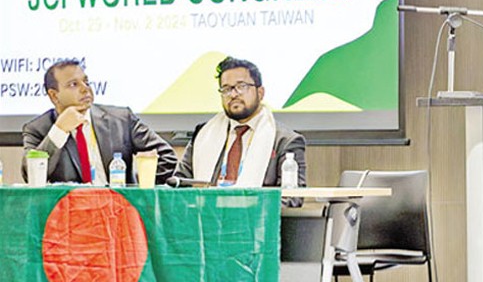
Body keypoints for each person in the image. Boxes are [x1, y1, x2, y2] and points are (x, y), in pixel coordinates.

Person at [22, 59, 177, 185]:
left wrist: (136, 193)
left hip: (120, 212)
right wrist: (59, 130)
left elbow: (167, 157)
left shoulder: (121, 119)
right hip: (70, 216)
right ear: (54, 96)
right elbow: (31, 176)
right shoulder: (38, 129)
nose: (85, 89)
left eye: (86, 82)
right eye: (73, 84)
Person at [174, 56, 306, 194]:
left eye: (241, 86)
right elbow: (179, 185)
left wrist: (244, 209)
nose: (233, 94)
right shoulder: (203, 134)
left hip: (257, 215)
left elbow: (292, 198)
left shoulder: (285, 141)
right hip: (207, 213)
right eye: (226, 89)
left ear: (260, 93)